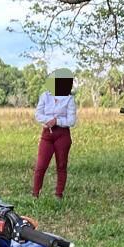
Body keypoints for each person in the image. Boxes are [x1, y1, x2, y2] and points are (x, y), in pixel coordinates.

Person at [32, 68, 77, 198]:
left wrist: (57, 121)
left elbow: (71, 121)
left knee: (61, 165)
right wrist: (49, 120)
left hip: (62, 134)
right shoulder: (45, 96)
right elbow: (38, 114)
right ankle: (35, 194)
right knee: (41, 165)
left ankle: (59, 194)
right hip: (47, 134)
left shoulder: (69, 99)